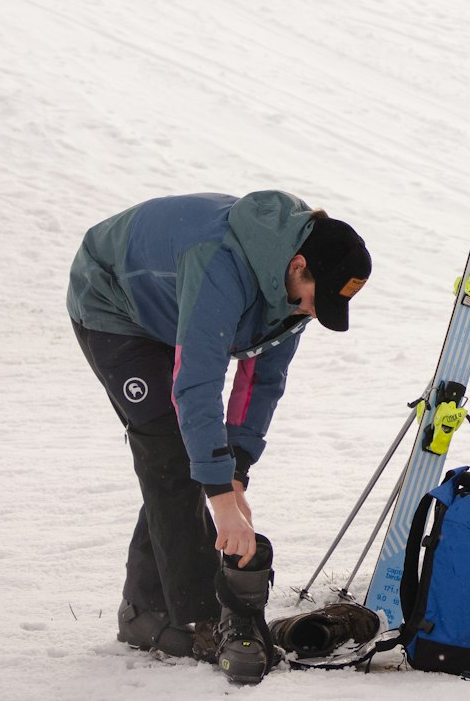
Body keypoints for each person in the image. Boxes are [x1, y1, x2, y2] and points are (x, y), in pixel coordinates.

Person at [67, 189, 372, 683]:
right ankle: (194, 616)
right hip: (113, 304)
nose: (316, 314)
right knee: (169, 448)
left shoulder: (290, 294)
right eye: (319, 300)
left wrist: (235, 471)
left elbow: (261, 382)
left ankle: (142, 609)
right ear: (298, 267)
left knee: (199, 457)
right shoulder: (221, 268)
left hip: (173, 310)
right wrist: (220, 499)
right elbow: (198, 386)